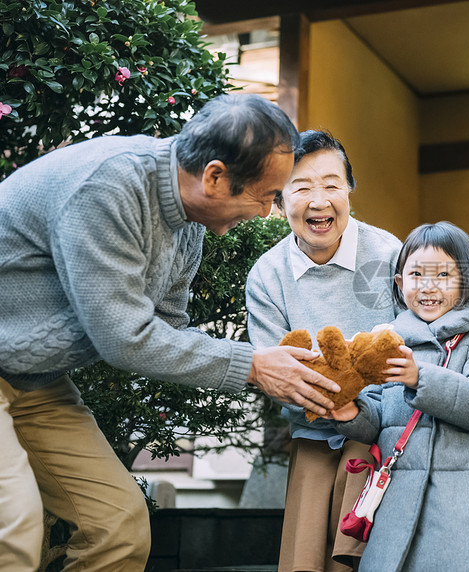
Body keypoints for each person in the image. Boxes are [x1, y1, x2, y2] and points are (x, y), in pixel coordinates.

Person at [0, 94, 342, 572]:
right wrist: (253, 366)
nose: (268, 212)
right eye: (266, 195)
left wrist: (278, 370)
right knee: (12, 531)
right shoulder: (109, 187)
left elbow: (166, 331)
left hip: (36, 382)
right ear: (215, 177)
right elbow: (125, 338)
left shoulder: (190, 222)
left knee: (118, 528)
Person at [245, 131, 469, 572]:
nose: (319, 200)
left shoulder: (391, 253)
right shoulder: (267, 275)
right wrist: (331, 398)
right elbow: (269, 367)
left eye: (332, 184)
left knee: (363, 556)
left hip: (385, 427)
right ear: (279, 199)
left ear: (350, 190)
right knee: (304, 557)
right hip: (314, 422)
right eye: (301, 186)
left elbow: (435, 327)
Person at [328, 221, 469, 571]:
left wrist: (420, 376)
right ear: (400, 283)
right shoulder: (389, 341)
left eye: (444, 275)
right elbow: (376, 422)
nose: (428, 287)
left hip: (466, 511)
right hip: (398, 509)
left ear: (466, 281)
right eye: (416, 274)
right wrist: (346, 409)